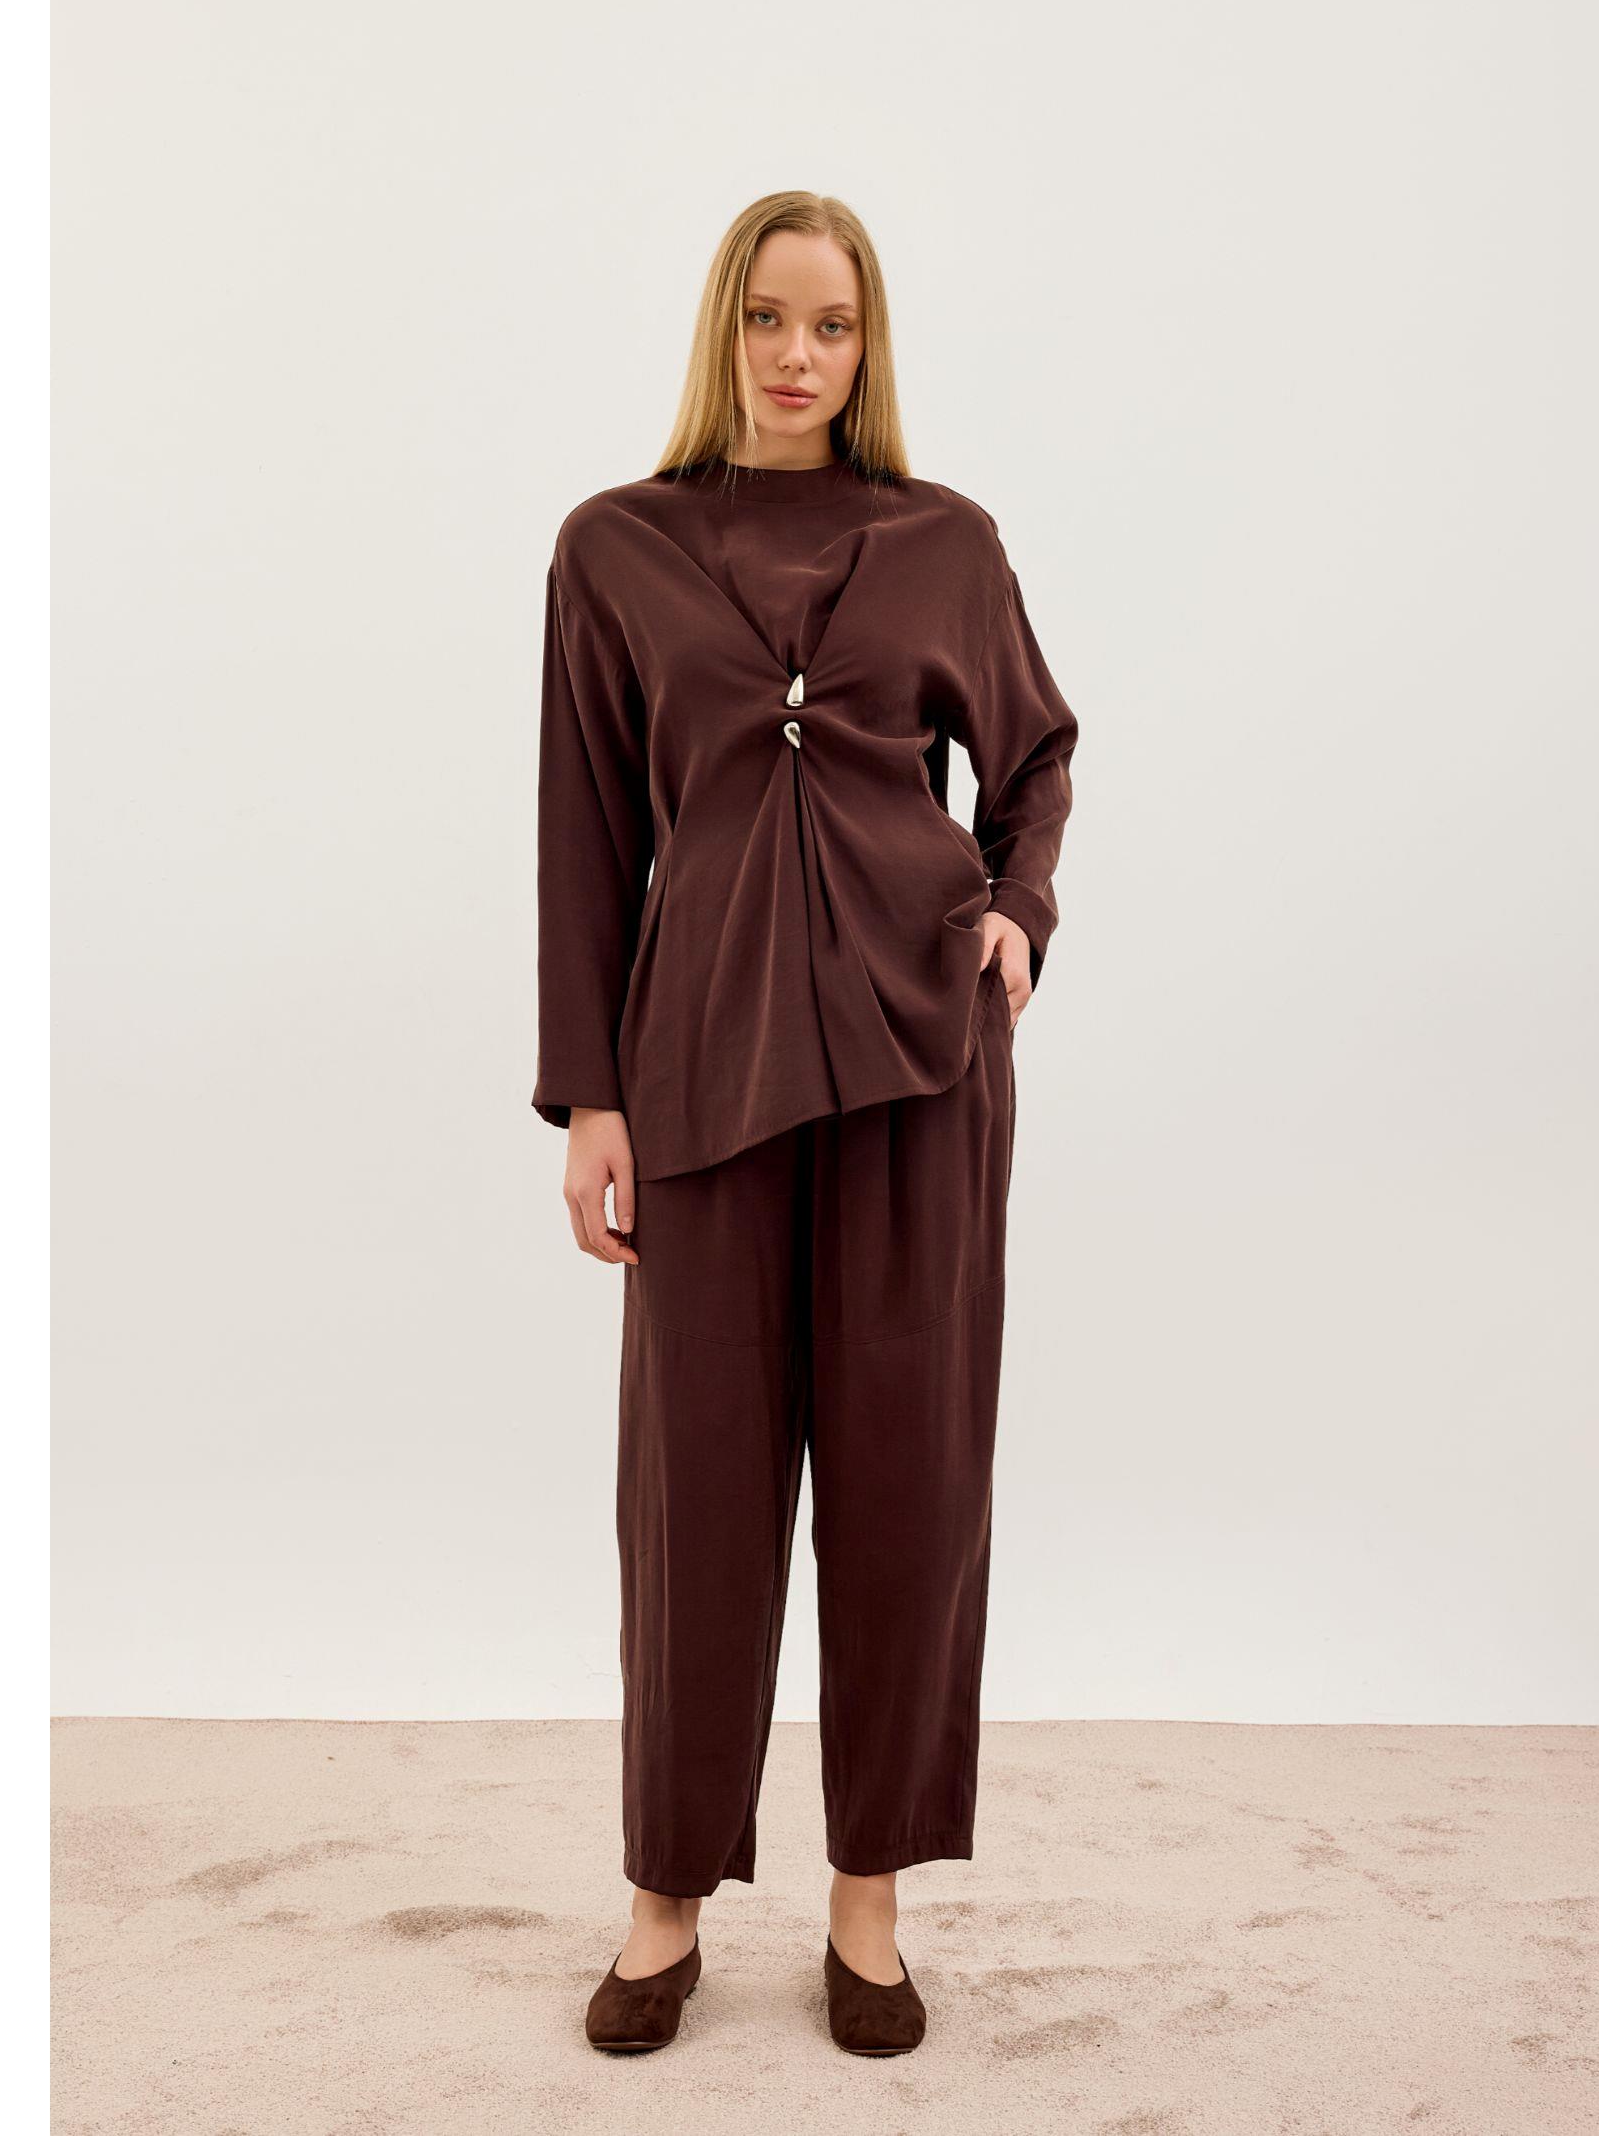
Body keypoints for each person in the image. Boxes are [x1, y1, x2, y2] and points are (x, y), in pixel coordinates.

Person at [533, 190, 1078, 2055]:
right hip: (698, 1074)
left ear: (868, 346)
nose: (795, 355)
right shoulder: (614, 548)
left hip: (924, 1067)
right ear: (725, 328)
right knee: (693, 1495)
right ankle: (664, 1898)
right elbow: (589, 834)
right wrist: (591, 1096)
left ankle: (869, 1902)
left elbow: (1035, 752)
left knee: (912, 1482)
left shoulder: (946, 542)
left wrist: (1019, 913)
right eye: (768, 318)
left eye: (830, 325)